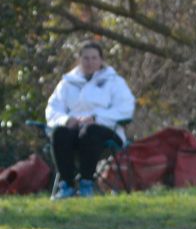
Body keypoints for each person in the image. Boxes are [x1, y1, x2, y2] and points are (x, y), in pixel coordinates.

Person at [45, 41, 136, 198]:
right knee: (60, 133)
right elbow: (52, 109)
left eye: (94, 58)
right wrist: (66, 120)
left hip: (105, 132)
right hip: (74, 131)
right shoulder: (66, 83)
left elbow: (126, 109)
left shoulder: (114, 82)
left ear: (101, 60)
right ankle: (67, 184)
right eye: (86, 58)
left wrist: (96, 118)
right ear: (79, 59)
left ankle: (87, 183)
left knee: (90, 131)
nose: (90, 62)